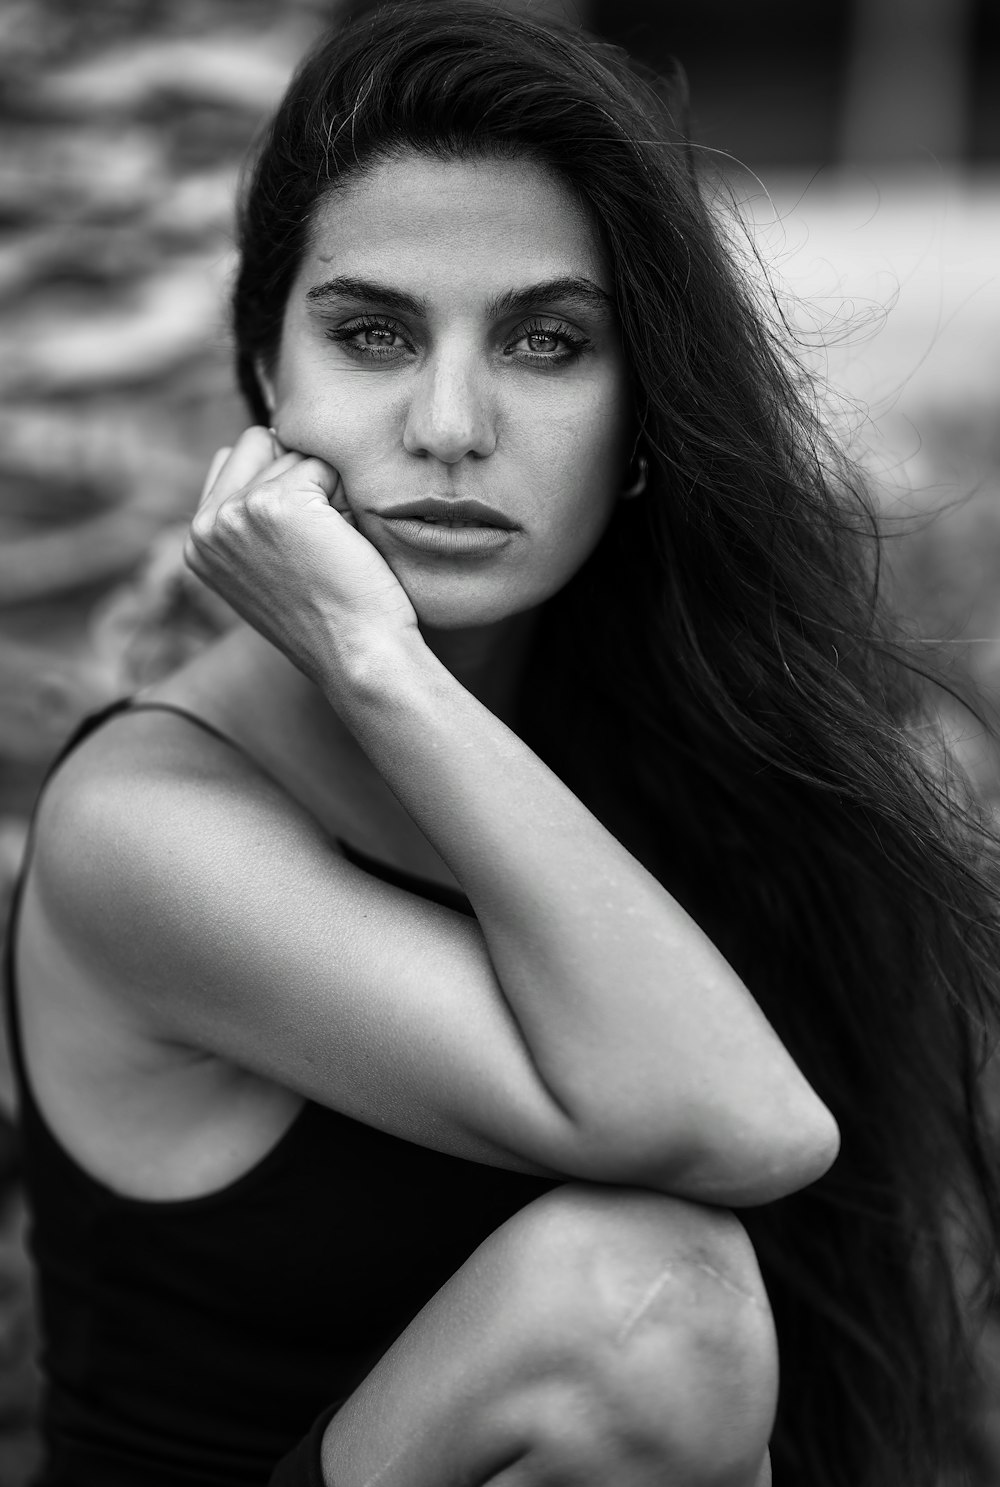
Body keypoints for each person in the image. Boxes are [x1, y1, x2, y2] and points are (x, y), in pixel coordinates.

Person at [5, 2, 1000, 1484]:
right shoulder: (145, 832)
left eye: (548, 341)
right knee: (650, 1310)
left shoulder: (670, 736)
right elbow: (745, 1129)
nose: (452, 421)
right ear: (268, 380)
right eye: (371, 333)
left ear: (645, 408)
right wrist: (373, 659)